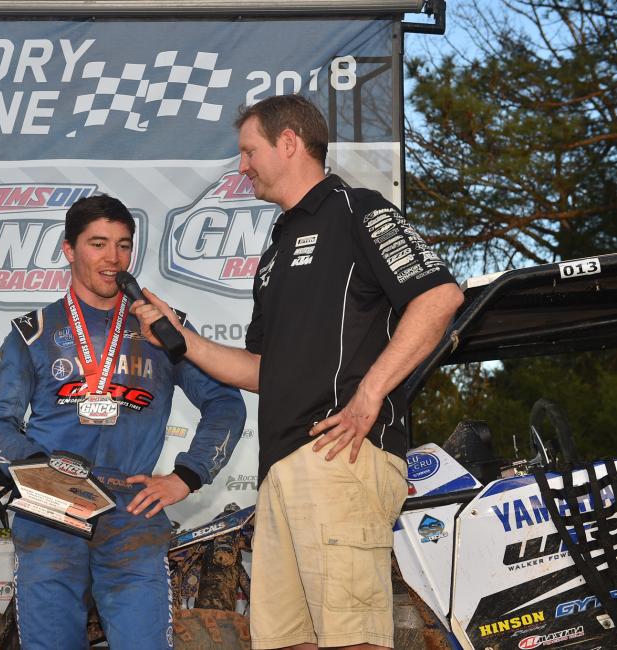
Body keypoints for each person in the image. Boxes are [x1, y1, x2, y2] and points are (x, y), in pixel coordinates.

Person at [131, 95, 464, 650]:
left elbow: (438, 297)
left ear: (289, 142)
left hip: (340, 458)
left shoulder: (359, 210)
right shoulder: (275, 249)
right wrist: (183, 338)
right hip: (280, 469)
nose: (242, 166)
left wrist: (369, 396)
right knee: (285, 641)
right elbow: (262, 371)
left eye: (249, 151)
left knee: (351, 639)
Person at [0, 194, 246, 649]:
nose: (113, 258)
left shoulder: (163, 328)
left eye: (123, 245)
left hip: (132, 510)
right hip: (52, 511)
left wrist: (187, 475)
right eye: (98, 244)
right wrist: (43, 474)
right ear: (69, 249)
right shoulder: (35, 331)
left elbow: (226, 403)